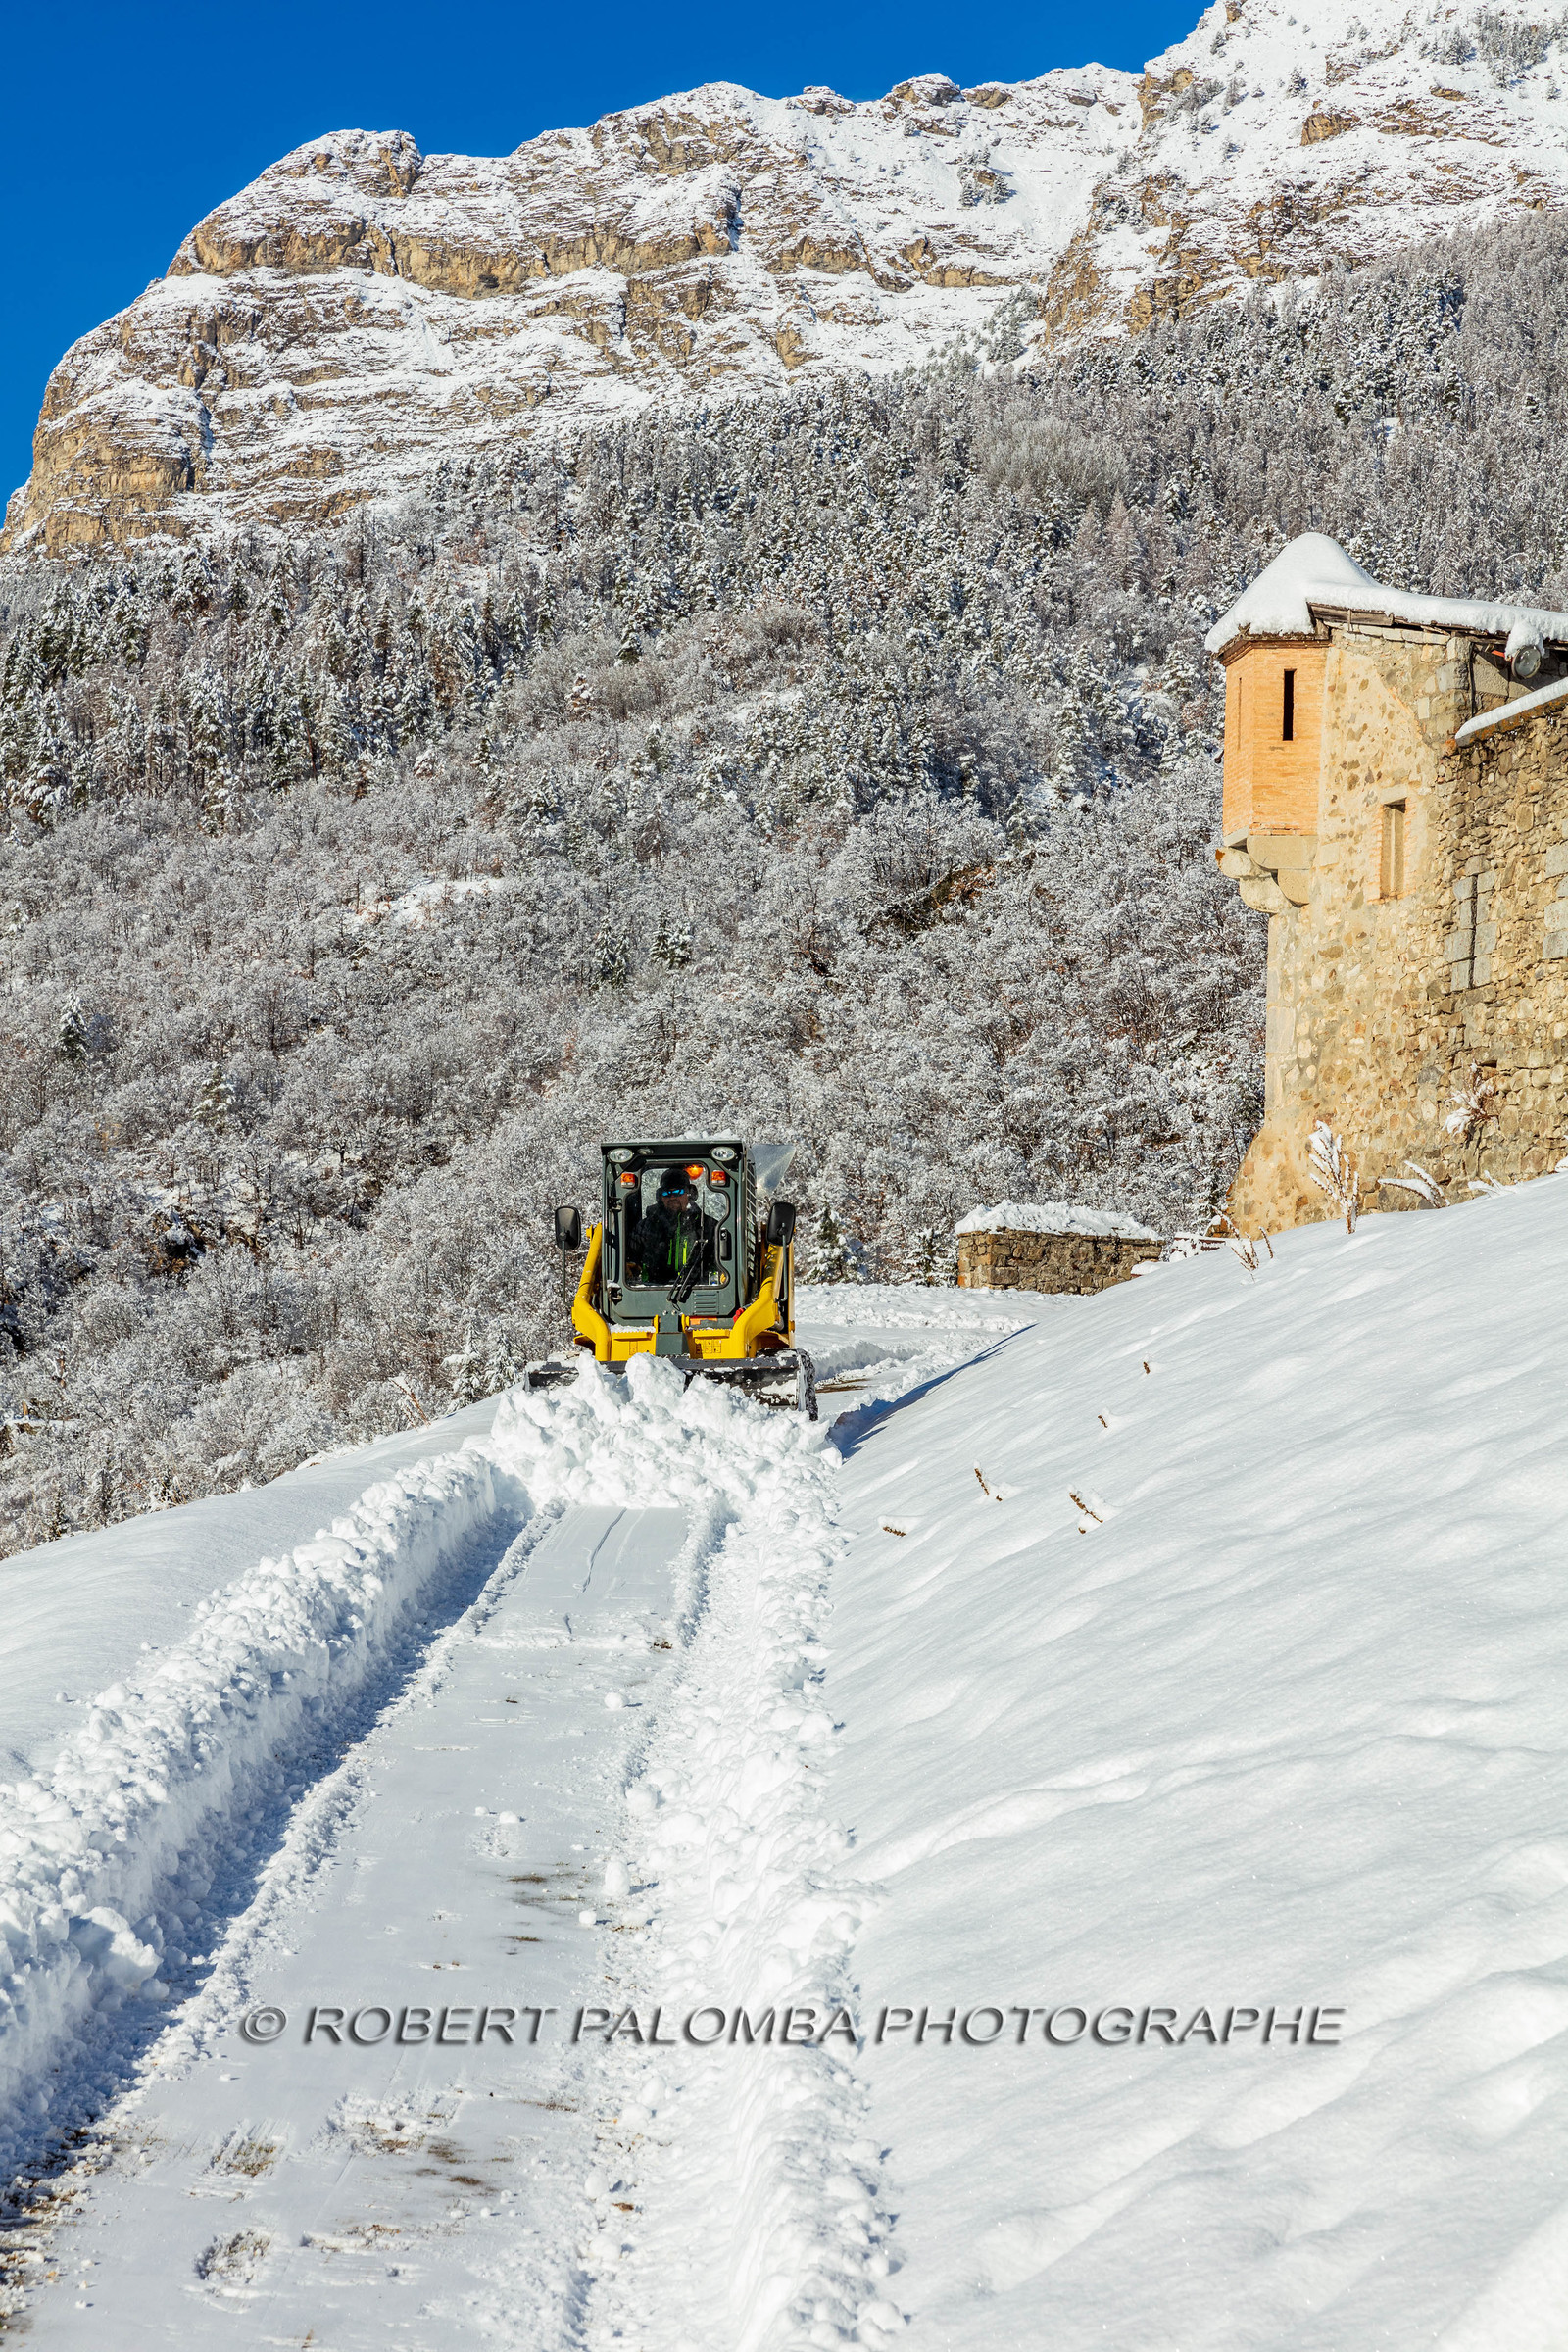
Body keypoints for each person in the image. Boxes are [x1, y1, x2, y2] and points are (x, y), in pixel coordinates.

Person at [629, 1168, 713, 1289]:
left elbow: (720, 1261)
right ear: (660, 1196)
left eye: (678, 1192)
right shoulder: (645, 1227)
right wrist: (632, 1266)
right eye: (667, 1193)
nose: (672, 1197)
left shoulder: (707, 1226)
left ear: (689, 1194)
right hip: (651, 1292)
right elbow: (631, 1256)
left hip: (697, 1290)